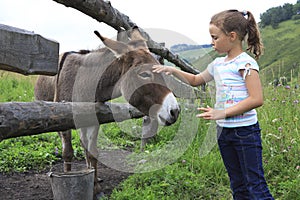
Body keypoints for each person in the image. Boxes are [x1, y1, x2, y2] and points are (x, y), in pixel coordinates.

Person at [153, 9, 274, 200]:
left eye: (215, 37)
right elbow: (195, 80)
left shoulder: (244, 64)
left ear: (232, 36)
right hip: (224, 132)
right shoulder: (218, 64)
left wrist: (222, 113)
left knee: (255, 185)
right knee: (237, 184)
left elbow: (256, 99)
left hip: (245, 133)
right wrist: (172, 70)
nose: (212, 42)